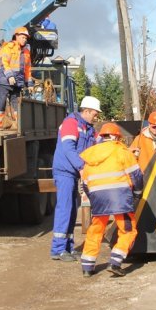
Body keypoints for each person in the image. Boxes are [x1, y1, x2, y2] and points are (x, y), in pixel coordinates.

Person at [79, 122, 143, 277]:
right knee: (128, 229)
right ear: (115, 136)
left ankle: (87, 266)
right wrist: (137, 193)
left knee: (96, 229)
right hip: (119, 197)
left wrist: (94, 198)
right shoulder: (122, 152)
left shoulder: (91, 155)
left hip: (98, 198)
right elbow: (137, 176)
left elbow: (85, 183)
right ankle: (115, 262)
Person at [50, 95, 101, 261]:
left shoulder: (89, 128)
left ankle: (69, 247)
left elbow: (99, 144)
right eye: (95, 113)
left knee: (72, 209)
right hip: (65, 172)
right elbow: (68, 149)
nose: (96, 116)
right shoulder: (70, 123)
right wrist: (81, 167)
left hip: (73, 172)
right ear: (85, 111)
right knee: (65, 208)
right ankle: (58, 250)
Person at [0, 27, 34, 129]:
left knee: (16, 104)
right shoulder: (8, 47)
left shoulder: (26, 52)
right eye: (23, 37)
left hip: (17, 82)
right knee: (1, 101)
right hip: (4, 80)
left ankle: (19, 125)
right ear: (17, 36)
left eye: (26, 38)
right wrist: (10, 76)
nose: (25, 39)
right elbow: (3, 62)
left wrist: (30, 84)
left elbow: (28, 69)